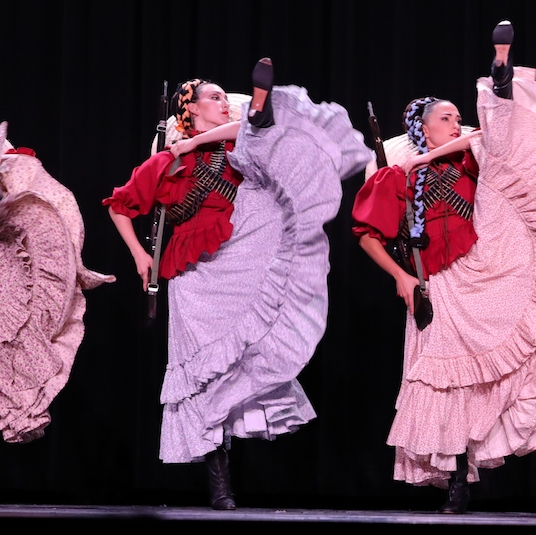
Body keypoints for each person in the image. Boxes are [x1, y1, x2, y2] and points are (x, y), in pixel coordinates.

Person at [352, 20, 536, 513]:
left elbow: (494, 140)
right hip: (438, 282)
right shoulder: (396, 174)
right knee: (446, 376)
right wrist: (401, 276)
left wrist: (497, 86)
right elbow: (367, 235)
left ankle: (471, 461)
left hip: (486, 269)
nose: (456, 123)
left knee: (493, 366)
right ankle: (454, 479)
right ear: (422, 127)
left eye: (458, 117)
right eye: (447, 118)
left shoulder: (473, 160)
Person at [104, 59, 371, 510]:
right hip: (194, 277)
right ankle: (219, 477)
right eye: (214, 96)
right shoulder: (166, 163)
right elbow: (120, 205)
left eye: (226, 96)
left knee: (251, 350)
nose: (224, 101)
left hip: (247, 255)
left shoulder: (239, 145)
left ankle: (233, 456)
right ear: (188, 110)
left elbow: (244, 133)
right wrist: (140, 255)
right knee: (206, 375)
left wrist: (195, 143)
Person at [0, 122, 114, 444]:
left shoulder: (19, 167)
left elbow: (54, 201)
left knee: (14, 345)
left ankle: (18, 409)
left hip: (13, 263)